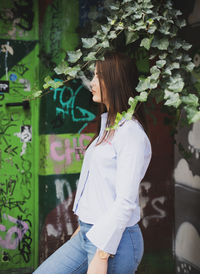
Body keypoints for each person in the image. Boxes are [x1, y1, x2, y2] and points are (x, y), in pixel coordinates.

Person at [33, 52, 152, 274]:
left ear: (116, 82)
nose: (92, 82)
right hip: (88, 233)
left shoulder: (130, 134)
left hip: (114, 242)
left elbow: (125, 202)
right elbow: (100, 188)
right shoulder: (109, 127)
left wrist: (101, 254)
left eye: (99, 77)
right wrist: (82, 228)